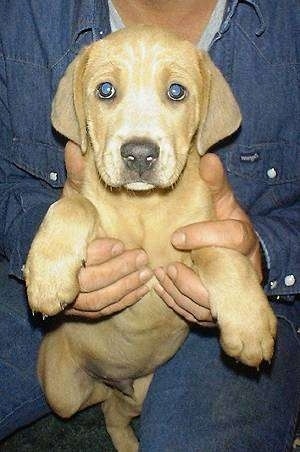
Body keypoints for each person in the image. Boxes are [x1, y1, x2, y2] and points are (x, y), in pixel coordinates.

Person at [0, 0, 299, 450]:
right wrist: (49, 231)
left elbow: (208, 245)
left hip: (227, 319)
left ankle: (128, 409)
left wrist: (253, 258)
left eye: (176, 93)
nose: (139, 145)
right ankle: (112, 404)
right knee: (61, 397)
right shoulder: (21, 12)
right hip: (75, 339)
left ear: (203, 112)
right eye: (106, 92)